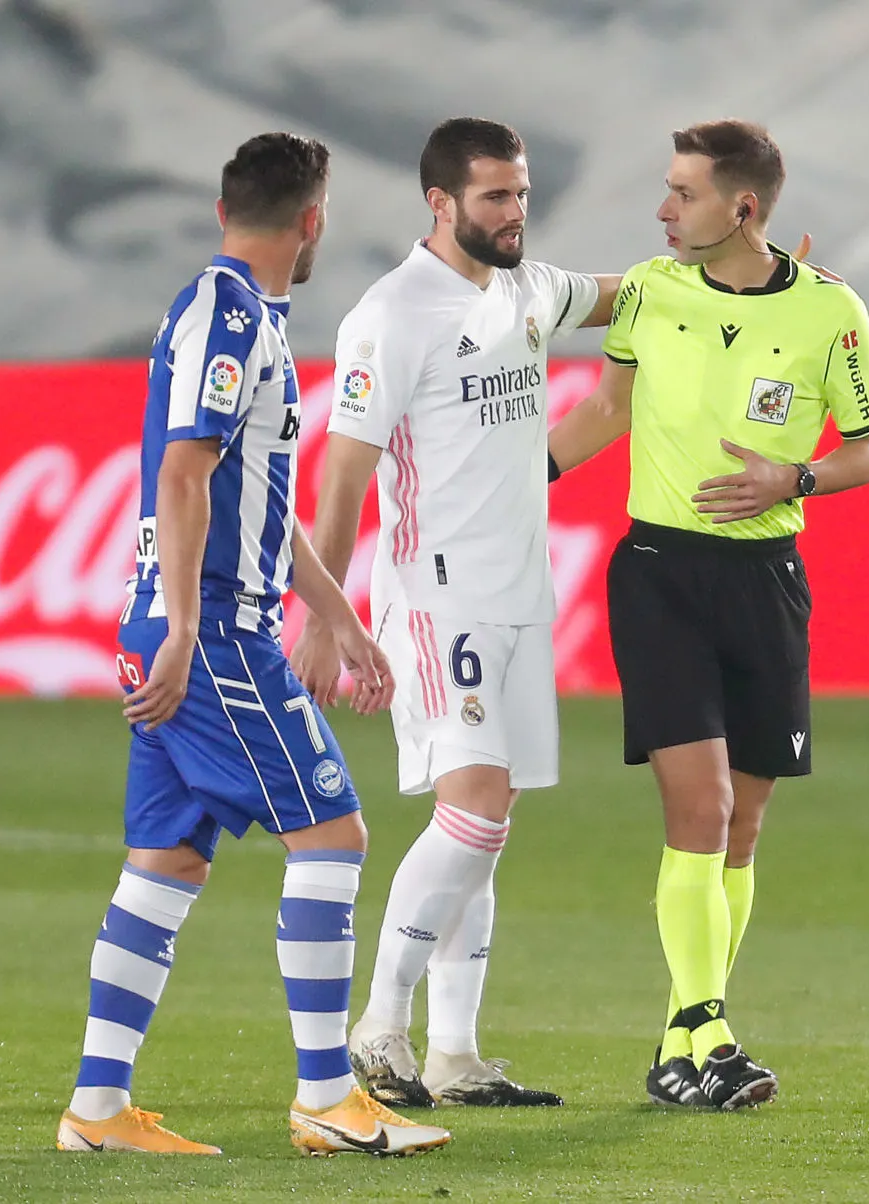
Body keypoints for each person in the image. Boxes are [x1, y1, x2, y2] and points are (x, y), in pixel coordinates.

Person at [55, 132, 449, 1159]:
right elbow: (184, 475)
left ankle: (96, 1108)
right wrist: (190, 629)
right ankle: (326, 1096)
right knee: (332, 835)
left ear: (225, 208)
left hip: (186, 622)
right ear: (311, 221)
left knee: (166, 861)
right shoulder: (228, 316)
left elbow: (253, 508)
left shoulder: (238, 314)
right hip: (212, 632)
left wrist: (338, 618)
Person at [546, 119, 869, 1109]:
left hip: (766, 581)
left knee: (743, 827)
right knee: (701, 810)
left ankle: (679, 1044)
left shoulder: (831, 311)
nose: (662, 209)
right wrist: (517, 479)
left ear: (742, 207)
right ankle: (715, 1034)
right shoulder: (650, 291)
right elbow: (606, 409)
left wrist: (797, 475)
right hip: (660, 574)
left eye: (682, 192)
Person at [294, 117, 619, 1108]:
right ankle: (379, 1026)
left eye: (521, 193)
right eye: (494, 196)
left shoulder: (529, 289)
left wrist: (755, 269)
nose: (515, 212)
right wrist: (327, 620)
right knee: (473, 807)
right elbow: (342, 480)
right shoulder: (392, 315)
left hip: (519, 593)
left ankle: (455, 1054)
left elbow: (634, 295)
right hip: (438, 598)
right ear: (440, 203)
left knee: (488, 817)